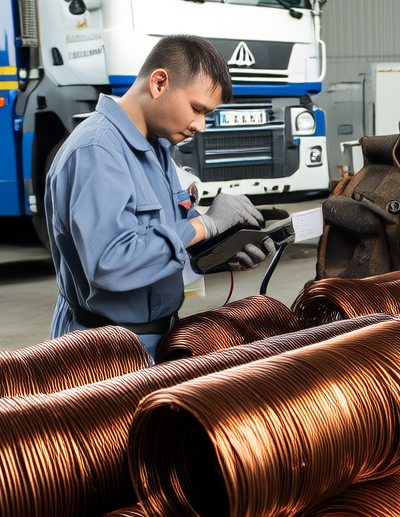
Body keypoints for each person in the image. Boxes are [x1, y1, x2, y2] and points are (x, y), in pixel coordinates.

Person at [45, 34, 274, 360]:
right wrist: (207, 225)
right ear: (159, 82)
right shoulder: (97, 151)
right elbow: (111, 262)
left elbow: (160, 241)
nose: (201, 125)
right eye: (197, 109)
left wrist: (218, 252)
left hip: (155, 339)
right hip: (102, 353)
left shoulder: (158, 149)